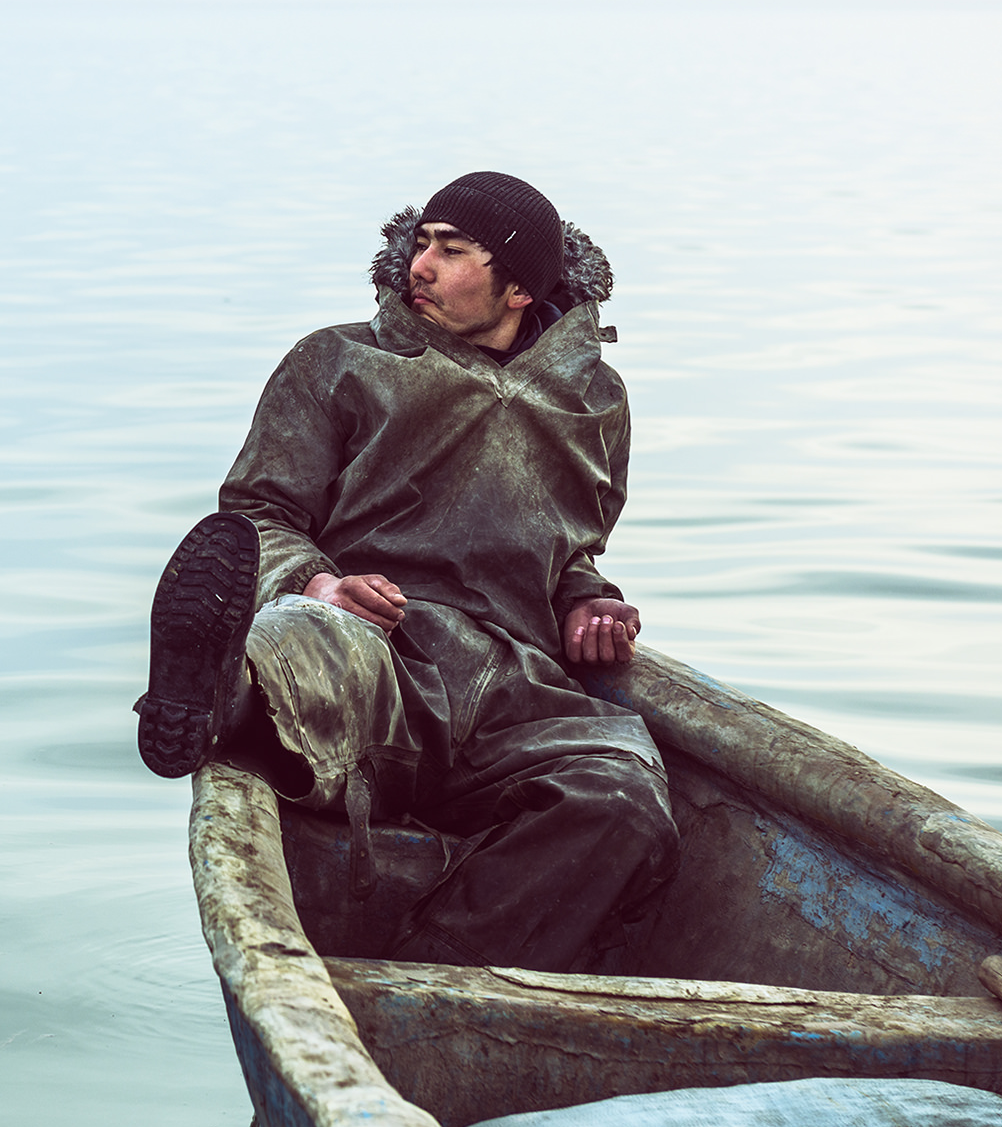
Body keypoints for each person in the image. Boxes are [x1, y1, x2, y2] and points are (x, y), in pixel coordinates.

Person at [133, 170, 678, 974]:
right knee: (303, 645)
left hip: (512, 689)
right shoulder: (337, 361)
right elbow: (257, 516)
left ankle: (445, 974)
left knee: (625, 796)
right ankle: (220, 695)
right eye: (421, 243)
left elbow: (576, 545)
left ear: (520, 288)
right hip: (376, 653)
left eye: (451, 251)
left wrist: (587, 600)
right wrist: (321, 583)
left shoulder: (594, 398)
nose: (419, 265)